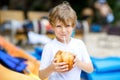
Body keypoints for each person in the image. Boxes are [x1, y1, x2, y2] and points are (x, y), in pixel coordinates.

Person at [39, 1, 94, 80]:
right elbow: (41, 76)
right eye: (59, 26)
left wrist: (78, 63)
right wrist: (52, 68)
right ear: (52, 26)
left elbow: (90, 69)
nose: (63, 30)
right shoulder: (49, 47)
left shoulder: (79, 44)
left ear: (73, 26)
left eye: (67, 26)